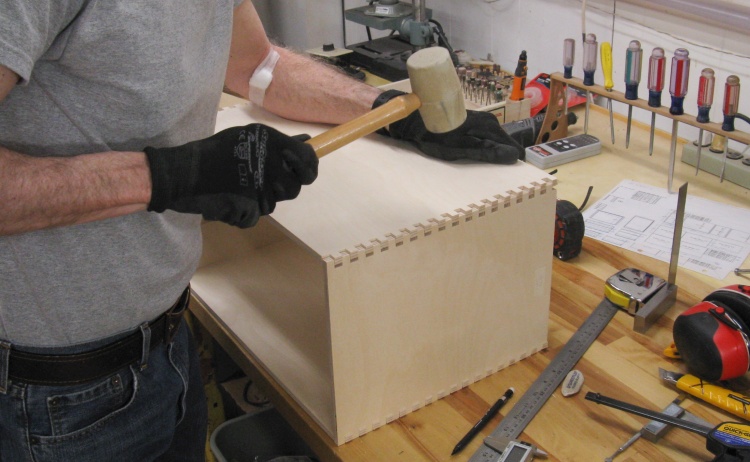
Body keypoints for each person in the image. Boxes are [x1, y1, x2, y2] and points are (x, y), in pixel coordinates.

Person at [0, 1, 523, 461]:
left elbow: (257, 66)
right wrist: (171, 176)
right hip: (57, 393)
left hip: (167, 338)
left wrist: (385, 111)